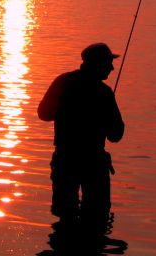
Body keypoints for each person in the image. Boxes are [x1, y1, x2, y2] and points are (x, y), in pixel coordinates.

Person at [38, 42, 125, 228]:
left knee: (64, 218)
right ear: (98, 64)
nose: (112, 67)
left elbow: (43, 114)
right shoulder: (104, 93)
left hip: (64, 161)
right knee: (96, 218)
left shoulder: (63, 82)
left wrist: (65, 111)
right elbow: (116, 135)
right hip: (93, 164)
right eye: (108, 62)